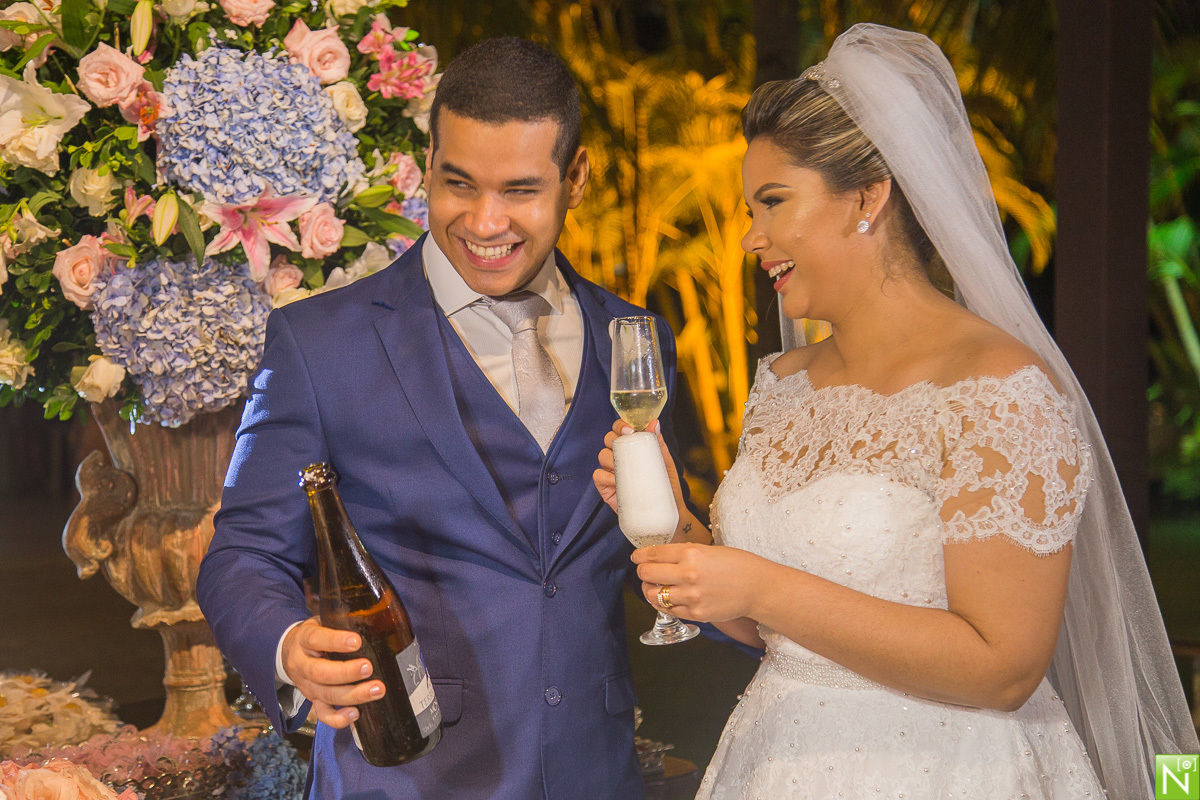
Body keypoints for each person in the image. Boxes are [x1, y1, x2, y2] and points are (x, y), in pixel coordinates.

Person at [595, 24, 1199, 799]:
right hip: (776, 763)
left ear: (867, 198)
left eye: (774, 202)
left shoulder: (996, 386)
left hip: (949, 771)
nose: (752, 238)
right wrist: (681, 533)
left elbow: (1004, 666)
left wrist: (757, 586)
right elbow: (776, 630)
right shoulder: (781, 384)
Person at [197, 37, 688, 800]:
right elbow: (244, 553)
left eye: (520, 190)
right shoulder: (319, 343)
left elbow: (655, 547)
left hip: (598, 772)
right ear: (427, 164)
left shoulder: (637, 341)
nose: (485, 221)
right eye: (459, 183)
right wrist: (289, 646)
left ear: (577, 177)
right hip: (405, 777)